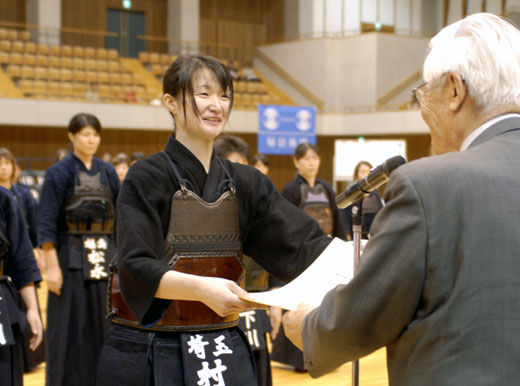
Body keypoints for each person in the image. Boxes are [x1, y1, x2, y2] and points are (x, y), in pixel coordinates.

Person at [282, 12, 520, 385]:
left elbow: (362, 319)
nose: (422, 107)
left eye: (424, 92)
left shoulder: (424, 185)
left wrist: (307, 325)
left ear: (455, 89)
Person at [95, 54, 331, 386]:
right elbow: (135, 264)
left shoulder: (247, 182)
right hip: (151, 346)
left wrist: (360, 257)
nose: (216, 105)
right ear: (171, 102)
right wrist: (201, 289)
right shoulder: (146, 176)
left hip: (222, 343)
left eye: (224, 95)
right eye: (204, 94)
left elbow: (304, 244)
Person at [37, 113, 120, 386]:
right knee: (69, 329)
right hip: (68, 258)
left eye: (95, 134)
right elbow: (46, 223)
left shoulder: (108, 172)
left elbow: (120, 217)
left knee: (105, 327)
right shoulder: (58, 173)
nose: (91, 139)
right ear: (71, 136)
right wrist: (51, 268)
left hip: (104, 259)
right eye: (85, 134)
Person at [270, 142, 346, 373]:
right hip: (300, 252)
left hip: (325, 250)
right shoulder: (290, 190)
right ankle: (298, 358)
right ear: (296, 162)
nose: (311, 162)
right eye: (306, 159)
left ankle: (323, 355)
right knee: (300, 304)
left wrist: (342, 247)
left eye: (315, 158)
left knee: (323, 304)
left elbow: (337, 219)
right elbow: (283, 225)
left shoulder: (326, 188)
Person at [213, 134, 273, 386]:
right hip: (219, 298)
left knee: (257, 362)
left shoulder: (258, 201)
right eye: (231, 163)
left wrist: (276, 293)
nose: (239, 170)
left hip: (255, 293)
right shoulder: (204, 202)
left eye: (242, 163)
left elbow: (275, 248)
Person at [0, 148, 45, 372]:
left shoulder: (9, 196)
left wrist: (33, 309)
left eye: (7, 162)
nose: (3, 166)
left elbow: (21, 256)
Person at [340, 160, 384, 240]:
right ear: (356, 175)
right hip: (355, 237)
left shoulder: (375, 194)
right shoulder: (350, 194)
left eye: (368, 172)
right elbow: (343, 218)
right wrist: (347, 235)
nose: (365, 175)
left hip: (373, 237)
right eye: (362, 172)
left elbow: (381, 215)